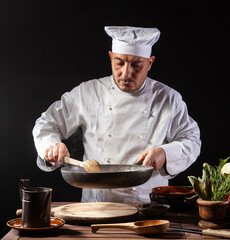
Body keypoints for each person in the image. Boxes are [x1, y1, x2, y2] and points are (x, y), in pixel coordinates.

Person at [32, 26, 201, 202]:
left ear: (150, 63)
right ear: (111, 57)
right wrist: (50, 145)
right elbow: (47, 122)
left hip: (148, 206)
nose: (126, 73)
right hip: (97, 205)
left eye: (136, 65)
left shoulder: (168, 98)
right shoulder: (88, 93)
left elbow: (192, 140)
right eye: (119, 63)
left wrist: (165, 153)